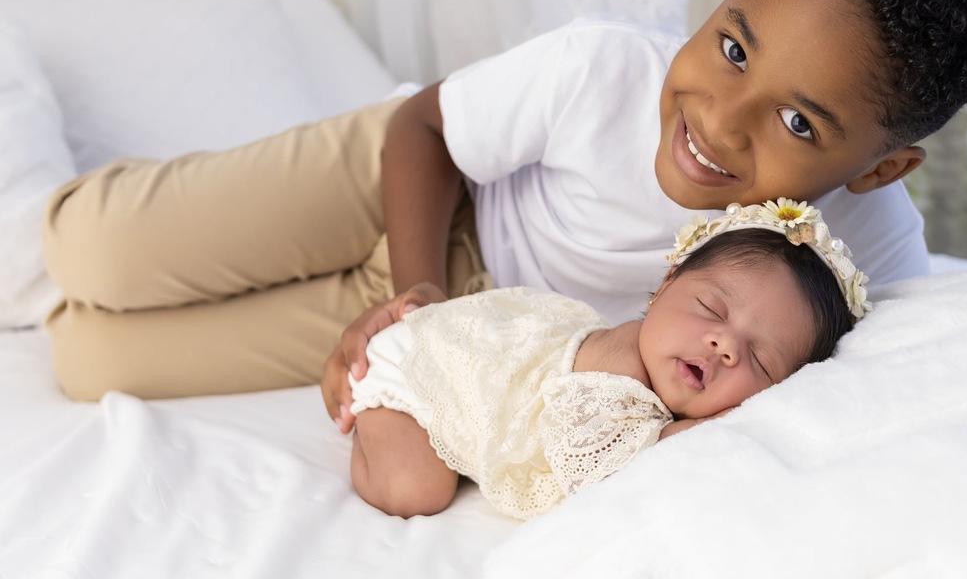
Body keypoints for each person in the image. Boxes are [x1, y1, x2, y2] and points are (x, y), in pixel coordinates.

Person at [41, 0, 967, 407]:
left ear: (881, 167)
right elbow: (426, 126)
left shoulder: (871, 248)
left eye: (800, 121)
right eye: (732, 47)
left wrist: (423, 328)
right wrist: (414, 296)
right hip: (410, 177)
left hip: (480, 310)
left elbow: (891, 376)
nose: (721, 120)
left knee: (88, 362)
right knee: (88, 251)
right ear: (722, 1)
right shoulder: (603, 69)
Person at [348, 198, 869, 519]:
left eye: (760, 359)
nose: (725, 345)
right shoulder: (619, 361)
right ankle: (364, 411)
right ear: (665, 285)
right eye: (711, 308)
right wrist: (694, 431)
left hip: (488, 372)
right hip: (425, 365)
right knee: (413, 491)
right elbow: (600, 471)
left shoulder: (668, 374)